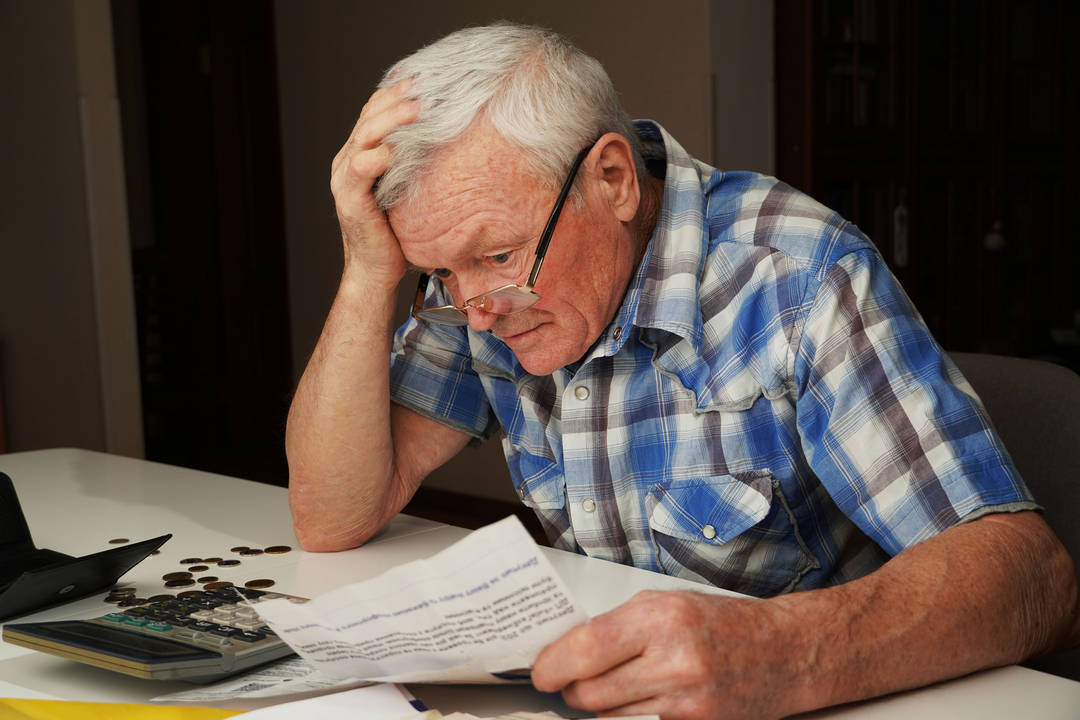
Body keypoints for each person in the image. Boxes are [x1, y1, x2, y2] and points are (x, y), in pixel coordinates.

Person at [286, 22, 1079, 719]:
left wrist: (783, 652)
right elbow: (334, 515)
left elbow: (1031, 579)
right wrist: (367, 269)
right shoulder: (477, 293)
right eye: (440, 273)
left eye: (496, 256)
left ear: (615, 179)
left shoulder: (796, 276)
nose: (478, 307)